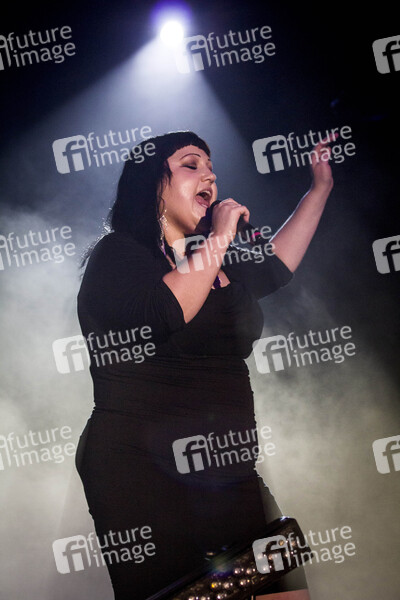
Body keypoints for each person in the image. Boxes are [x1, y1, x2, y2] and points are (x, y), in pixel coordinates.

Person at [75, 130, 335, 600]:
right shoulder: (119, 255)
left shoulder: (213, 257)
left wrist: (319, 189)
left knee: (285, 589)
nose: (210, 176)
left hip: (229, 469)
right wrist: (219, 237)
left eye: (212, 168)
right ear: (153, 182)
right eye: (192, 164)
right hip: (145, 471)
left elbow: (277, 265)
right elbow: (166, 310)